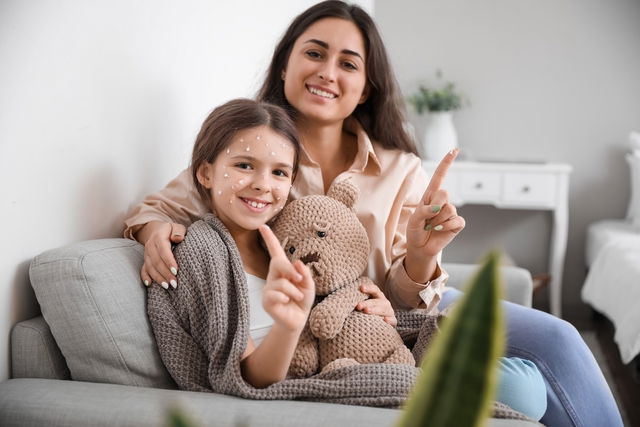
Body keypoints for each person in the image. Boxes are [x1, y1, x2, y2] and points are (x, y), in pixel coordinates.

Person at [126, 1, 620, 425]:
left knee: (557, 337)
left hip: (408, 308)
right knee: (524, 389)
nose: (327, 72)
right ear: (284, 66)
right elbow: (159, 207)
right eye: (314, 54)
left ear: (365, 88)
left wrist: (422, 255)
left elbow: (413, 291)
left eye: (348, 63)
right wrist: (153, 232)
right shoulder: (260, 156)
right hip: (331, 335)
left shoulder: (399, 165)